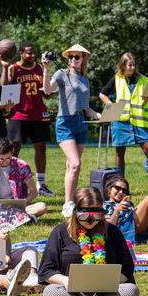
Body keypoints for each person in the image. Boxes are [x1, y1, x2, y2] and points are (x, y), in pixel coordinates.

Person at [38, 187, 140, 296]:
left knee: (131, 291)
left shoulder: (113, 232)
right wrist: (68, 282)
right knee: (51, 294)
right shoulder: (60, 232)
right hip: (71, 293)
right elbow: (46, 271)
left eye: (96, 216)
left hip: (107, 294)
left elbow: (127, 268)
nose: (91, 221)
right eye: (85, 216)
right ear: (75, 212)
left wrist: (111, 283)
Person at [43, 44, 101, 217]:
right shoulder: (61, 74)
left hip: (81, 122)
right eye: (70, 57)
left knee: (71, 166)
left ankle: (70, 202)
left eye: (77, 57)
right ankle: (68, 203)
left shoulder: (84, 80)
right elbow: (47, 90)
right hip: (65, 122)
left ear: (83, 59)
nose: (73, 60)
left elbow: (87, 109)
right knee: (75, 164)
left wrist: (100, 115)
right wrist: (46, 70)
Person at [0, 41, 54, 196]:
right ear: (21, 53)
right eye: (28, 53)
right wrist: (4, 67)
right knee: (14, 149)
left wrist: (50, 87)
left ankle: (41, 184)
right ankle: (11, 181)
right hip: (19, 114)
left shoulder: (40, 68)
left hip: (38, 114)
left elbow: (47, 94)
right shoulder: (13, 68)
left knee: (41, 148)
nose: (32, 55)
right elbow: (4, 88)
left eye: (33, 52)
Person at [98, 53, 148, 176]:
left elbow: (147, 97)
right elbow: (102, 94)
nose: (132, 68)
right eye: (130, 65)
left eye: (134, 65)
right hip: (120, 120)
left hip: (139, 121)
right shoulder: (116, 78)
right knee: (120, 152)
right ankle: (120, 183)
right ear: (123, 65)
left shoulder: (144, 80)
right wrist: (110, 105)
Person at [0, 137, 48, 218]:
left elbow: (34, 191)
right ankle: (21, 217)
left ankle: (8, 216)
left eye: (8, 158)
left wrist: (23, 202)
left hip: (16, 206)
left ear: (12, 152)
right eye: (1, 159)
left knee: (42, 206)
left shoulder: (22, 166)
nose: (4, 162)